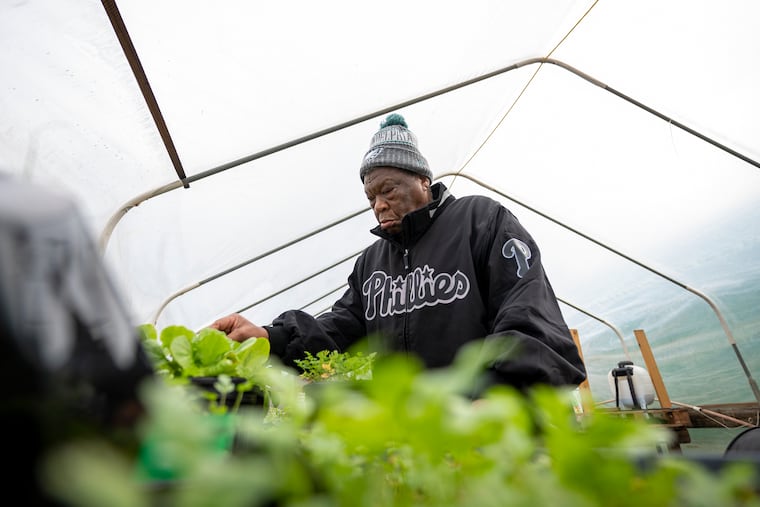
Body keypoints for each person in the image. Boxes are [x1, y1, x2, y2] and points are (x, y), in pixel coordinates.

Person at [211, 113, 586, 393]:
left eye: (387, 190)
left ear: (424, 180)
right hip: (414, 437)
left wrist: (498, 395)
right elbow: (338, 330)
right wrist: (268, 337)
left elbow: (528, 314)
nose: (378, 205)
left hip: (486, 427)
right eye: (370, 197)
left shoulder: (480, 221)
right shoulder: (372, 265)